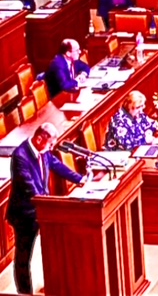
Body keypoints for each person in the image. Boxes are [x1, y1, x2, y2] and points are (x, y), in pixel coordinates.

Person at [7, 123, 87, 295]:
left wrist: (79, 179)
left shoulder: (43, 151)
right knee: (24, 256)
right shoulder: (21, 156)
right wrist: (46, 202)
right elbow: (28, 186)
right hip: (25, 214)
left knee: (54, 246)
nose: (51, 147)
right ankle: (24, 292)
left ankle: (55, 284)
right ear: (39, 139)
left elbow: (56, 165)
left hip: (43, 209)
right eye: (50, 143)